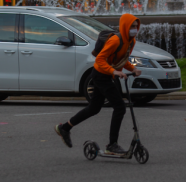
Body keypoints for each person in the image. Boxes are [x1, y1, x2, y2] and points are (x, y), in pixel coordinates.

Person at [55, 13, 142, 155]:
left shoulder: (131, 42)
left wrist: (133, 68)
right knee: (120, 107)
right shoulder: (115, 40)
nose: (135, 29)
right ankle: (112, 145)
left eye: (136, 26)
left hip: (107, 75)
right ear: (125, 26)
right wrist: (114, 71)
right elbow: (100, 59)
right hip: (100, 75)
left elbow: (121, 58)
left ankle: (64, 128)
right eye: (132, 26)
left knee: (94, 108)